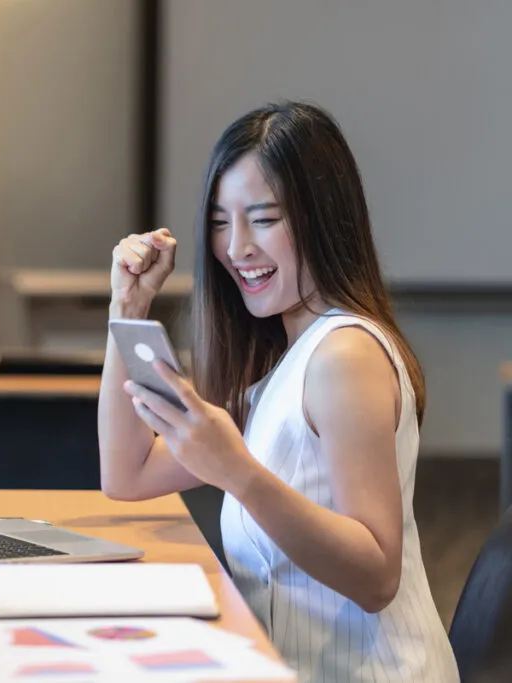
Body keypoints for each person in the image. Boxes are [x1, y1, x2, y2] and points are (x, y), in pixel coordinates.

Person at [98, 101, 459, 683]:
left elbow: (376, 575)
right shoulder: (285, 366)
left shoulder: (344, 356)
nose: (236, 247)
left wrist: (237, 471)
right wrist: (128, 306)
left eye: (263, 219)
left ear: (324, 219)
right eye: (220, 221)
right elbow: (127, 475)